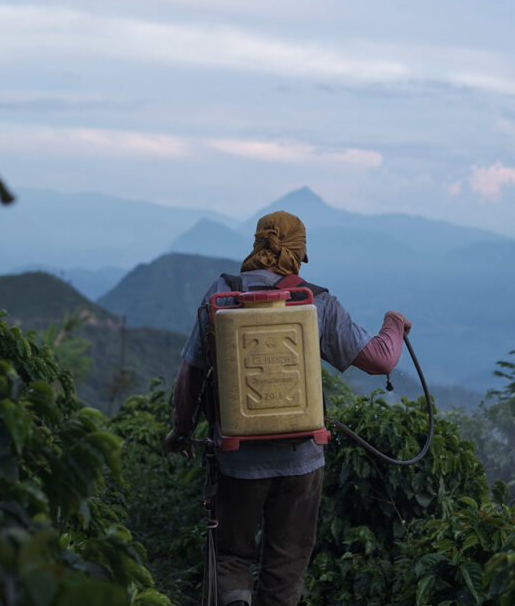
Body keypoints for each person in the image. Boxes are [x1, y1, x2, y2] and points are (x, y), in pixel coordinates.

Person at [164, 210, 411, 606]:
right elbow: (381, 359)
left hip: (236, 461)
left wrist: (179, 431)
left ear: (256, 245)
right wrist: (393, 322)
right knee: (285, 566)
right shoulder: (315, 302)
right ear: (298, 254)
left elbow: (189, 375)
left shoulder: (221, 295)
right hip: (301, 463)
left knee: (232, 557)